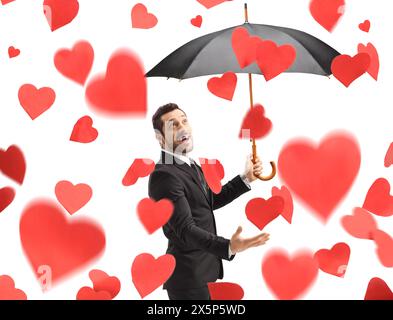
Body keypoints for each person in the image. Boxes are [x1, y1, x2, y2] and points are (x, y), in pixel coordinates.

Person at [148, 103, 270, 300]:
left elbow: (207, 202)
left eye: (184, 121)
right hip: (188, 281)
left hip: (204, 274)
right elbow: (186, 228)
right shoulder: (164, 176)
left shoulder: (190, 164)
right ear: (160, 138)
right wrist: (228, 246)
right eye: (174, 125)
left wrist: (245, 178)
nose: (183, 128)